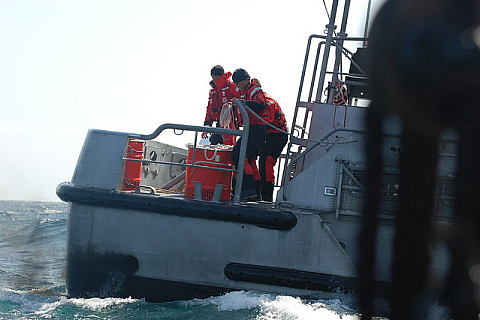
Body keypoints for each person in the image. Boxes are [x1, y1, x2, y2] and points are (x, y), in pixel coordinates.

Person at [231, 68, 271, 200]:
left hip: (256, 129)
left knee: (240, 154)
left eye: (237, 83)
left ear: (243, 81)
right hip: (252, 129)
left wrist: (244, 103)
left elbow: (260, 104)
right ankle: (255, 191)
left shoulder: (254, 90)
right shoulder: (246, 92)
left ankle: (248, 188)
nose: (237, 86)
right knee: (250, 159)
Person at [251, 78, 288, 202]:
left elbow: (267, 123)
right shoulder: (255, 105)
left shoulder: (268, 103)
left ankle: (266, 196)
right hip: (267, 135)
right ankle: (255, 191)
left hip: (278, 136)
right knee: (251, 156)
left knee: (266, 161)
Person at [202, 65, 239, 145]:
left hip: (230, 123)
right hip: (219, 123)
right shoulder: (214, 92)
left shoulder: (232, 87)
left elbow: (241, 100)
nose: (214, 79)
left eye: (216, 76)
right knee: (214, 140)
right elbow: (209, 109)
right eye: (213, 77)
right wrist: (207, 125)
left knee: (228, 145)